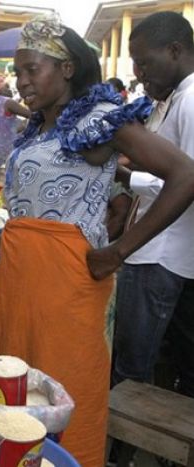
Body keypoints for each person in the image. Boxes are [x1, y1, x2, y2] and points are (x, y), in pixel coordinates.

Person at [0, 14, 194, 466]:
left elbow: (184, 175)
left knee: (61, 392)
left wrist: (119, 250)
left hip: (67, 289)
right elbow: (33, 207)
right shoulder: (41, 126)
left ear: (67, 68)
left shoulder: (101, 120)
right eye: (18, 72)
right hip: (20, 281)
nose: (22, 82)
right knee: (12, 389)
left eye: (33, 70)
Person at [112, 12, 194, 399]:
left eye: (145, 63)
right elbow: (166, 174)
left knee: (131, 369)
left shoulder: (191, 100)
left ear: (175, 51)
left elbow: (187, 182)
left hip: (160, 256)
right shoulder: (169, 100)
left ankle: (123, 449)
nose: (141, 74)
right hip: (152, 252)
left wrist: (120, 248)